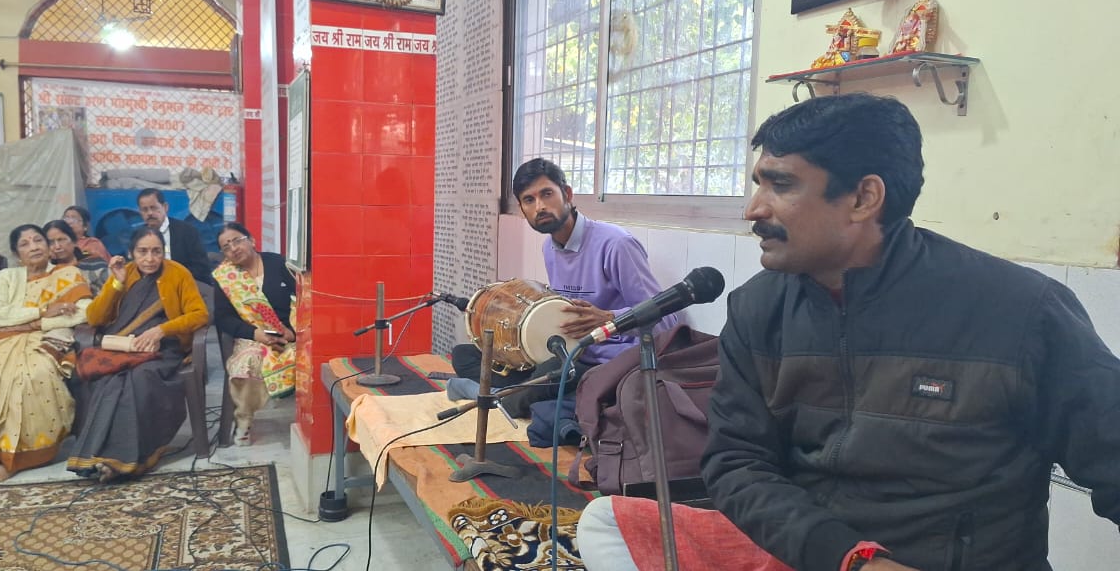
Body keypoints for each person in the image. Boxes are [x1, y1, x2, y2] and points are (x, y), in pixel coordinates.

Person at [577, 94, 1120, 571]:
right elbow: (736, 462)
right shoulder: (760, 308)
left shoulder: (1018, 312)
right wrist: (850, 558)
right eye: (758, 183)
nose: (753, 209)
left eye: (780, 185)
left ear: (863, 198)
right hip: (820, 556)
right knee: (606, 522)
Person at [453, 158, 677, 417]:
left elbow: (667, 320)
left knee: (539, 382)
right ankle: (510, 394)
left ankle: (494, 396)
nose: (540, 206)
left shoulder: (616, 245)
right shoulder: (550, 248)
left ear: (567, 194)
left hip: (607, 361)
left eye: (547, 194)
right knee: (466, 355)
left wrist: (609, 319)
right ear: (522, 209)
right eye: (529, 200)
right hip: (568, 351)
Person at [0, 224, 92, 482]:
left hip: (44, 338)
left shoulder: (68, 274)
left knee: (28, 375)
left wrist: (36, 324)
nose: (34, 247)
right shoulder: (7, 277)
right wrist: (41, 312)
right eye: (25, 244)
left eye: (38, 240)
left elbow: (84, 312)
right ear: (17, 255)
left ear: (48, 247)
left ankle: (17, 458)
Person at [67, 227, 208, 482]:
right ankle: (100, 456)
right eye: (143, 252)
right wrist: (117, 283)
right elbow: (95, 318)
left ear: (163, 252)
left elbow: (200, 314)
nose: (150, 259)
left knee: (140, 378)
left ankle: (134, 458)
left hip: (164, 350)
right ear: (132, 252)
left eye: (156, 251)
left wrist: (162, 330)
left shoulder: (178, 273)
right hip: (124, 348)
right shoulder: (125, 272)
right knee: (109, 380)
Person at [212, 222, 296, 446]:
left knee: (308, 356)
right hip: (252, 336)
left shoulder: (278, 263)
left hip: (290, 334)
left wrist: (292, 332)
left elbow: (301, 297)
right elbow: (223, 318)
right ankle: (244, 420)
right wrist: (255, 333)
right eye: (226, 246)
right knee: (246, 363)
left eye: (237, 240)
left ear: (252, 241)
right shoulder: (226, 277)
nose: (233, 248)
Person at [136, 188, 213, 285]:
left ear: (165, 207)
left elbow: (202, 268)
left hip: (183, 285)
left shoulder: (187, 232)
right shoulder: (138, 236)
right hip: (150, 286)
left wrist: (174, 278)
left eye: (154, 208)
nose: (150, 213)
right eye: (145, 210)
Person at [44, 219, 109, 295]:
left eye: (61, 240)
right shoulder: (50, 277)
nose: (57, 246)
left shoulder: (94, 263)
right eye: (51, 243)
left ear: (74, 241)